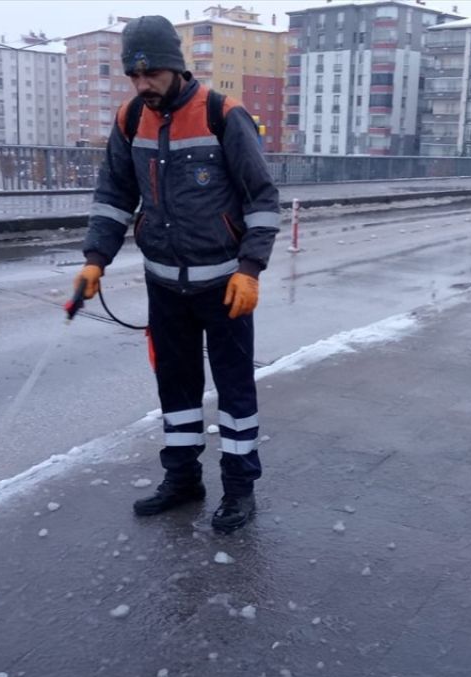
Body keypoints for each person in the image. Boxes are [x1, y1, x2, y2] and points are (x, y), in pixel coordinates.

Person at [75, 16, 279, 532]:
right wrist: (95, 258)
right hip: (164, 284)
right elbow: (114, 195)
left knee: (234, 392)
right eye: (134, 76)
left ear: (176, 66)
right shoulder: (129, 121)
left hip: (225, 285)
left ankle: (239, 488)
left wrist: (250, 269)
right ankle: (183, 479)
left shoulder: (221, 114)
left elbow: (262, 198)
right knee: (176, 387)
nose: (143, 85)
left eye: (152, 74)